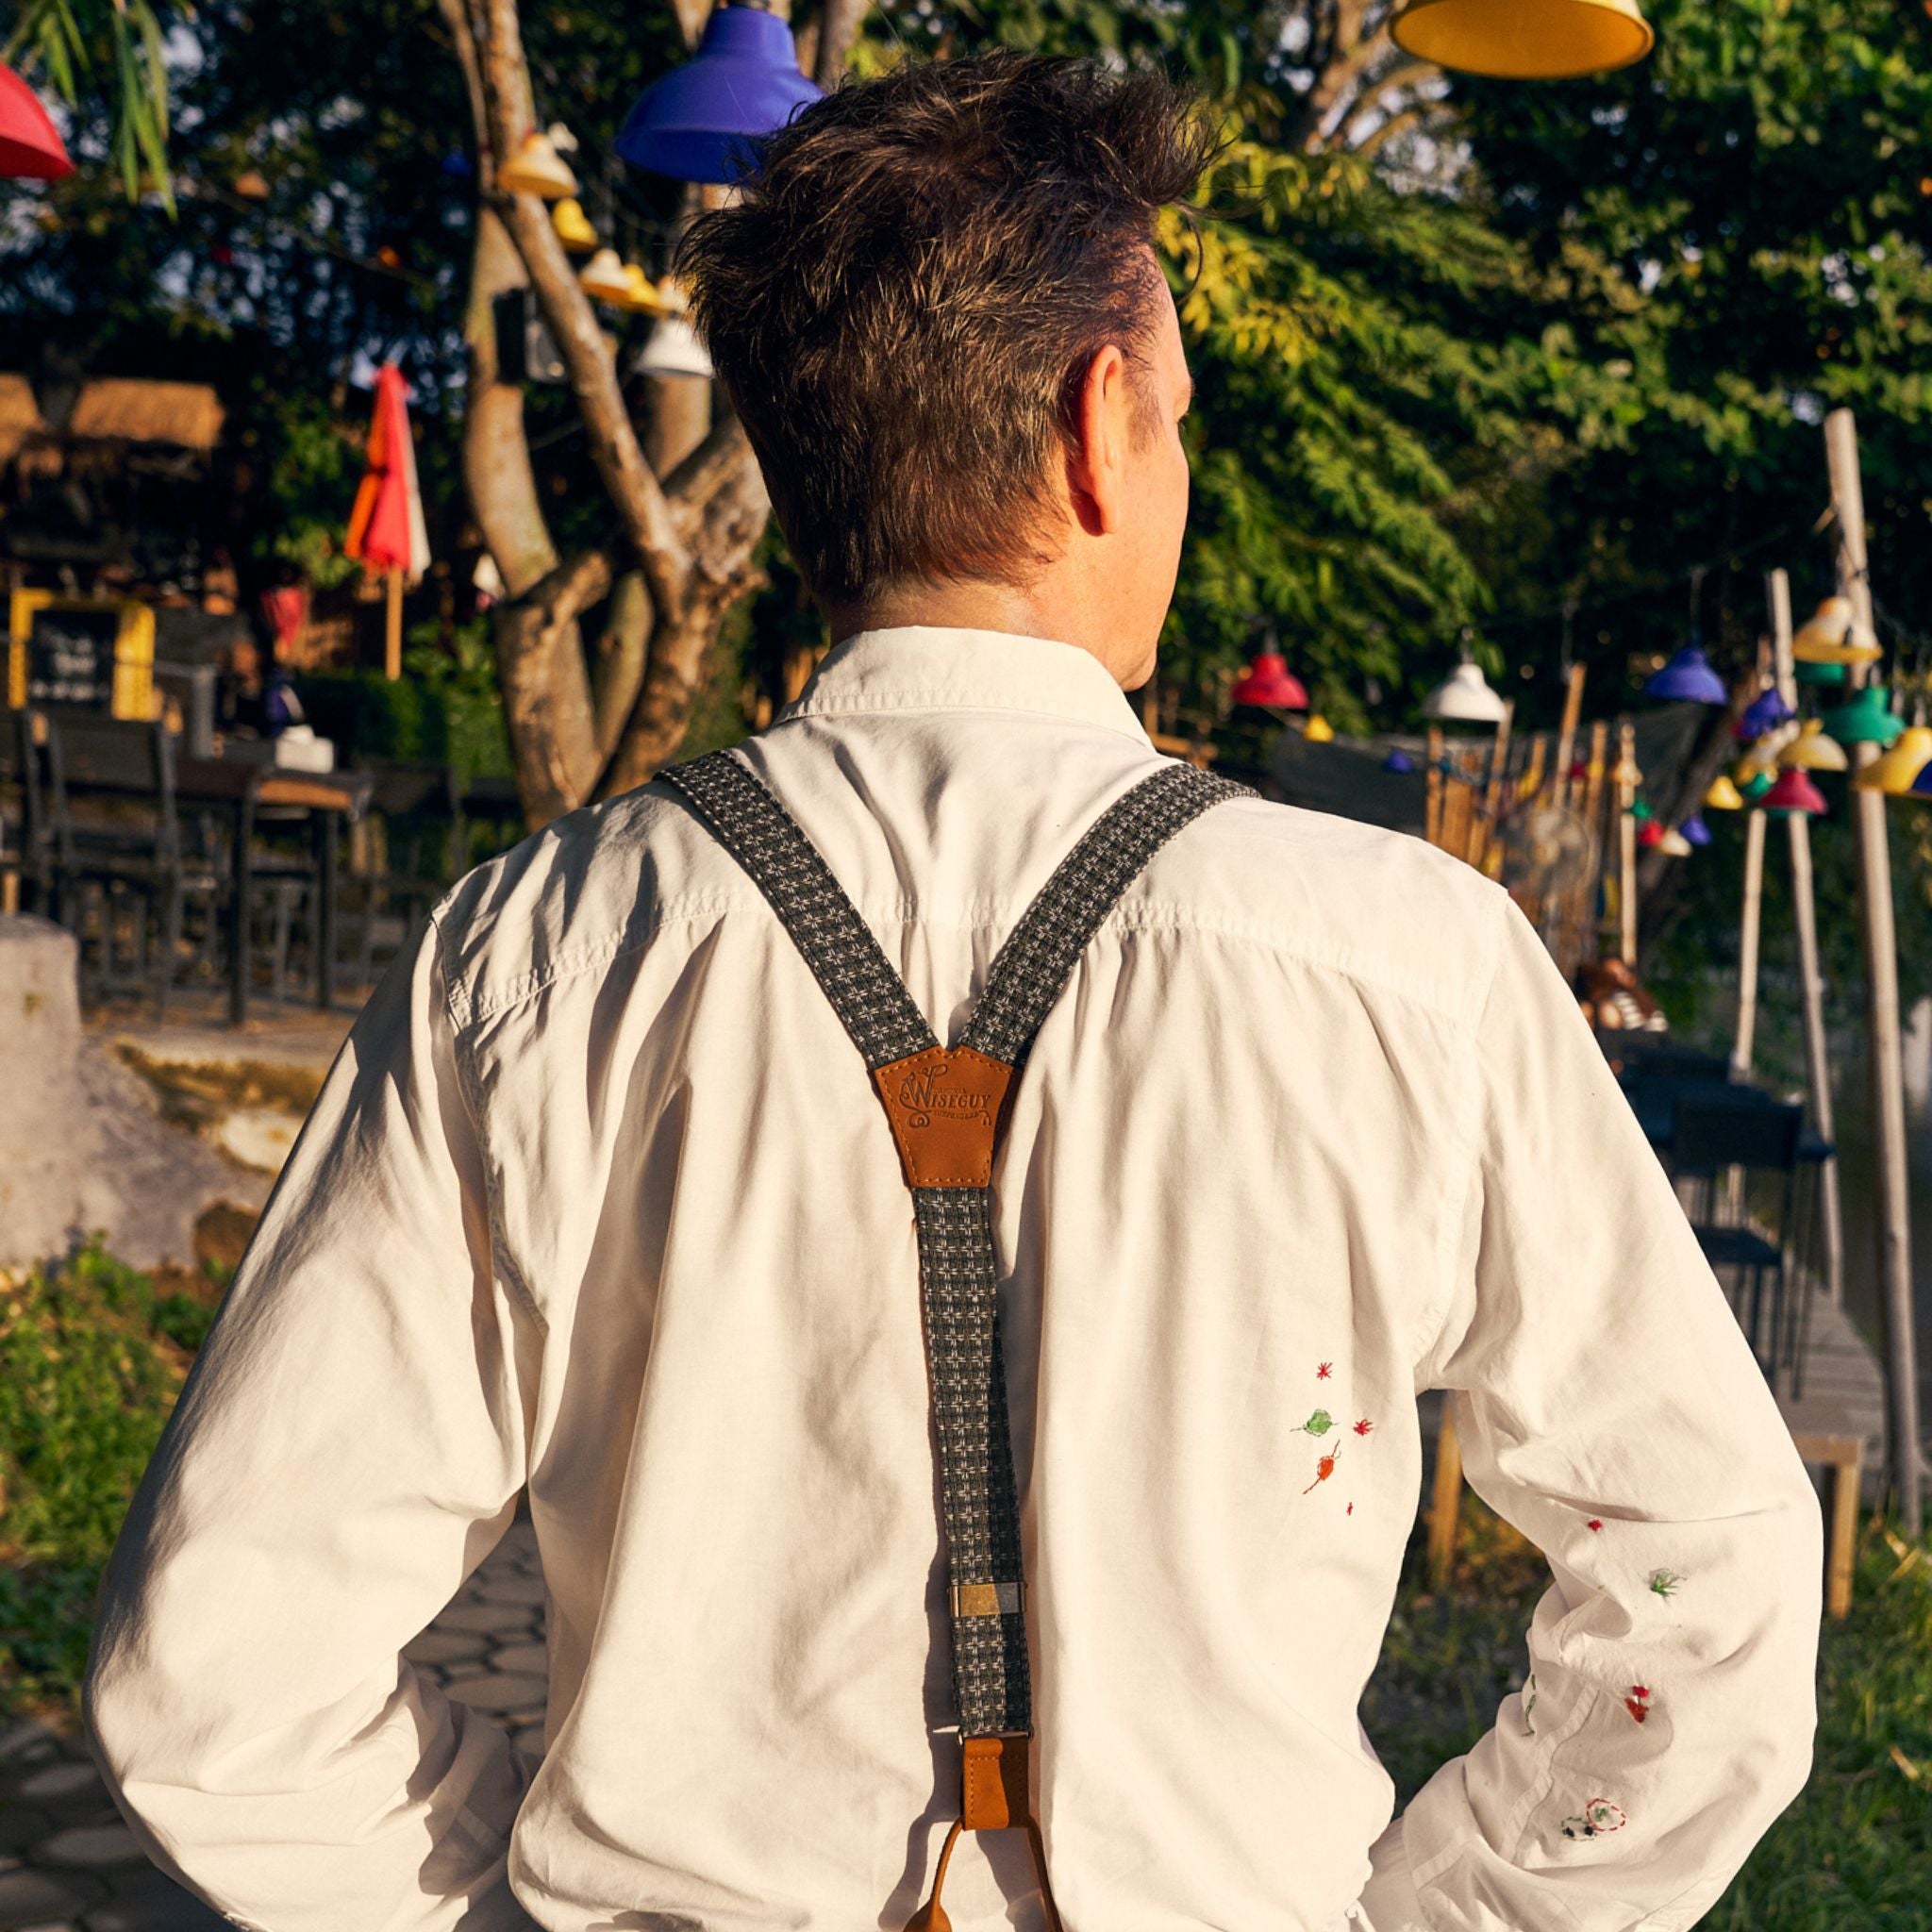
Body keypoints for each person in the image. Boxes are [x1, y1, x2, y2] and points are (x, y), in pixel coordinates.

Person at [83, 52, 1821, 1932]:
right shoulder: (1402, 961)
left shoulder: (538, 958)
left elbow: (216, 1671)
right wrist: (1447, 1914)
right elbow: (1698, 1578)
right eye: (1178, 418)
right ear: (1097, 428)